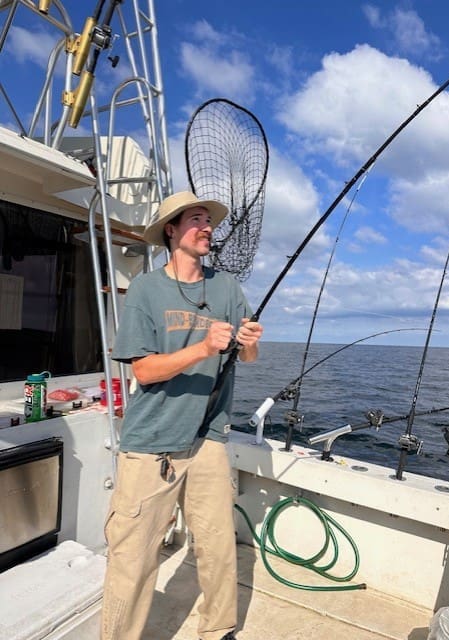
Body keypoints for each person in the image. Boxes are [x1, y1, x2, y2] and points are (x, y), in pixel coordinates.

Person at [101, 191, 263, 640]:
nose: (207, 225)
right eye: (196, 219)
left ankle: (219, 631)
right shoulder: (147, 290)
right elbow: (144, 369)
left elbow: (248, 358)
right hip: (151, 443)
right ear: (171, 230)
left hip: (208, 437)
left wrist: (248, 339)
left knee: (217, 548)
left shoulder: (229, 288)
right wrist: (203, 347)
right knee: (133, 558)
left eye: (209, 220)